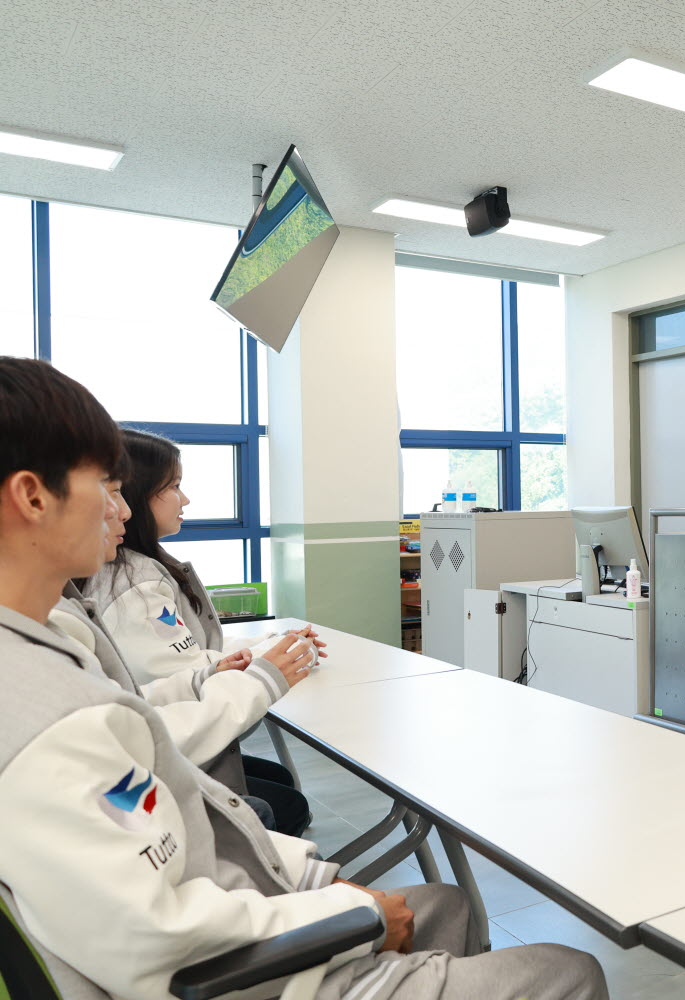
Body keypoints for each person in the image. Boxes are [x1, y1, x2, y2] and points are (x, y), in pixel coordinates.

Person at [0, 356, 608, 1000]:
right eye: (105, 483)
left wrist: (315, 880)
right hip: (248, 975)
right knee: (569, 973)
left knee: (445, 904)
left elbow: (192, 815)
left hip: (230, 911)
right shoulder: (47, 718)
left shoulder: (50, 642)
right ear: (33, 496)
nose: (117, 508)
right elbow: (156, 936)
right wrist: (357, 913)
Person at [54, 467, 312, 830]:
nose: (121, 510)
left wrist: (266, 649)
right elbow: (149, 717)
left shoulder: (94, 589)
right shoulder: (132, 581)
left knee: (278, 782)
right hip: (152, 774)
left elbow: (153, 683)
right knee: (282, 804)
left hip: (153, 756)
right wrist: (263, 672)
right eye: (174, 486)